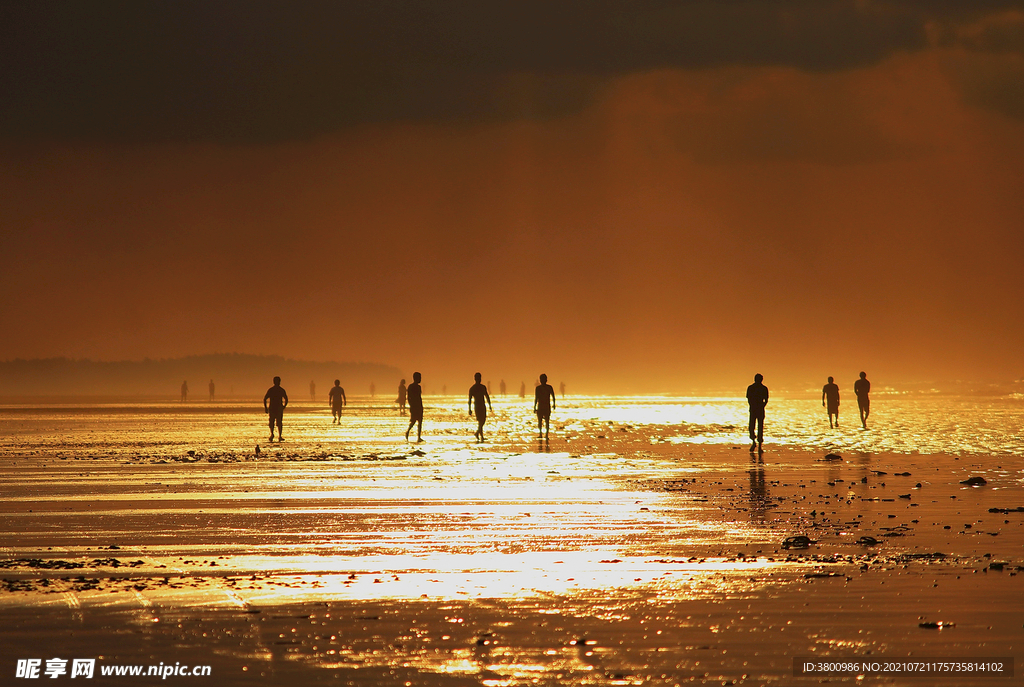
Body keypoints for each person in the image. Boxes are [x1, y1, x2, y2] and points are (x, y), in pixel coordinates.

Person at [746, 373, 769, 451]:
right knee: (756, 426)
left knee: (756, 426)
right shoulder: (754, 388)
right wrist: (762, 406)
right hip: (757, 409)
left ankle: (758, 444)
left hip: (756, 409)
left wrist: (760, 406)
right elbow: (765, 400)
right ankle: (755, 443)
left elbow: (765, 400)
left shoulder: (753, 388)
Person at [468, 372, 493, 441]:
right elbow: (469, 399)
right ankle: (480, 435)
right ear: (475, 379)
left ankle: (479, 434)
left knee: (483, 420)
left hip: (482, 405)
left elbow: (487, 396)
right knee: (481, 421)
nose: (479, 379)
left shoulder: (482, 387)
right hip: (478, 406)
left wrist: (490, 405)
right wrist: (469, 409)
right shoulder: (473, 388)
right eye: (478, 378)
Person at [264, 376, 289, 442]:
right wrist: (284, 406)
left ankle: (274, 435)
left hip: (273, 408)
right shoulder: (280, 390)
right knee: (278, 422)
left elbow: (265, 399)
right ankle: (277, 435)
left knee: (273, 422)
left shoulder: (272, 390)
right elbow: (286, 399)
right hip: (277, 408)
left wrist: (266, 408)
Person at [534, 373, 556, 437]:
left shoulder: (546, 388)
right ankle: (542, 434)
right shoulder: (539, 388)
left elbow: (553, 396)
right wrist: (535, 407)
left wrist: (554, 404)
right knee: (542, 421)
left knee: (545, 420)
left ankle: (544, 434)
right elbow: (536, 398)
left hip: (544, 406)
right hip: (542, 406)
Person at [405, 372, 423, 441]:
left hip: (419, 405)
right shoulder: (411, 386)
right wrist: (411, 405)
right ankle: (408, 432)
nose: (420, 379)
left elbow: (419, 397)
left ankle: (419, 437)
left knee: (420, 422)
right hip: (415, 406)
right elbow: (409, 397)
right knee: (414, 421)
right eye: (419, 378)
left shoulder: (418, 387)